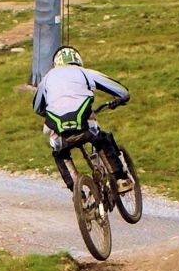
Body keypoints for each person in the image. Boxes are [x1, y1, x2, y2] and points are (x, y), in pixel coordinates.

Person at [33, 46, 131, 193]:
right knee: (102, 139)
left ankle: (78, 194)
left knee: (60, 153)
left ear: (56, 63)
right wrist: (120, 99)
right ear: (78, 60)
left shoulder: (46, 78)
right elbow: (121, 91)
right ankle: (120, 179)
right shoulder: (85, 73)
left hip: (59, 129)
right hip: (84, 126)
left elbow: (37, 107)